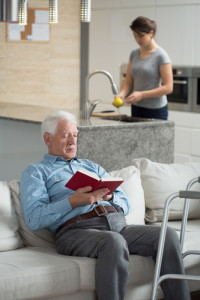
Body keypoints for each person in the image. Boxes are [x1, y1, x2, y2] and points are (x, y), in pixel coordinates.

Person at [20, 110, 190, 300]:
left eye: (75, 135)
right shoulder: (37, 171)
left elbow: (125, 203)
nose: (72, 141)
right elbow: (34, 218)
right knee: (113, 242)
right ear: (47, 139)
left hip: (117, 224)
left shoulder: (91, 166)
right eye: (65, 135)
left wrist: (109, 198)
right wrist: (73, 201)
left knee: (166, 234)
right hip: (76, 231)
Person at [116, 16, 173, 120]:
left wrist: (142, 94)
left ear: (151, 33)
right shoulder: (134, 54)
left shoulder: (161, 55)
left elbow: (168, 87)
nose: (137, 39)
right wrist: (121, 94)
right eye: (135, 36)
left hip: (156, 110)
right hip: (137, 107)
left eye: (141, 36)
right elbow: (128, 80)